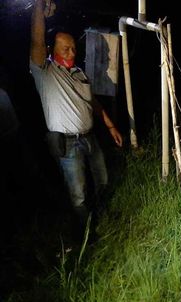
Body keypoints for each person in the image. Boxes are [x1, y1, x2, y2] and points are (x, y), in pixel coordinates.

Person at [29, 0, 123, 239]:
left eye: (73, 48)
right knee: (78, 192)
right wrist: (39, 7)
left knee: (102, 179)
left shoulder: (79, 72)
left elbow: (92, 102)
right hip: (67, 144)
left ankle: (103, 214)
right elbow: (37, 41)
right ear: (52, 51)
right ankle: (86, 233)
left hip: (90, 138)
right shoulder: (45, 72)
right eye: (65, 49)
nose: (71, 53)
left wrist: (110, 125)